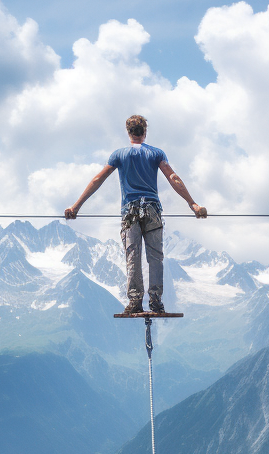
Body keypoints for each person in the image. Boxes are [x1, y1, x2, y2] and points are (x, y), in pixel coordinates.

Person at [64, 114, 207, 313]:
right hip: (152, 209)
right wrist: (192, 203)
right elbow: (173, 177)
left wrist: (76, 206)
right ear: (145, 132)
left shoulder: (119, 155)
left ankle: (135, 301)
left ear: (128, 132)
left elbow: (98, 180)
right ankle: (156, 301)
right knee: (155, 257)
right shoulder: (156, 153)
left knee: (133, 256)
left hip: (129, 211)